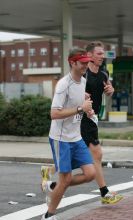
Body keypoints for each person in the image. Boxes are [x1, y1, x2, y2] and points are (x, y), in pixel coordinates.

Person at [41, 48, 96, 220]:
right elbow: (54, 114)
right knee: (66, 180)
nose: (86, 65)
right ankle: (48, 215)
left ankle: (53, 185)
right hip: (61, 139)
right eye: (83, 63)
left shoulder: (83, 81)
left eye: (88, 62)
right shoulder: (63, 84)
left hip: (76, 137)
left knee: (90, 174)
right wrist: (80, 108)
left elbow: (79, 100)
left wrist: (86, 108)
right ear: (72, 62)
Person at [81, 41, 123, 204]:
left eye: (103, 53)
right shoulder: (84, 74)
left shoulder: (104, 74)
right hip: (82, 119)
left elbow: (109, 89)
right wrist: (82, 99)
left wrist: (111, 91)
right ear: (89, 55)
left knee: (81, 156)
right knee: (97, 154)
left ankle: (50, 173)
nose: (102, 56)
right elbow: (75, 95)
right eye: (99, 53)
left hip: (93, 118)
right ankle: (104, 193)